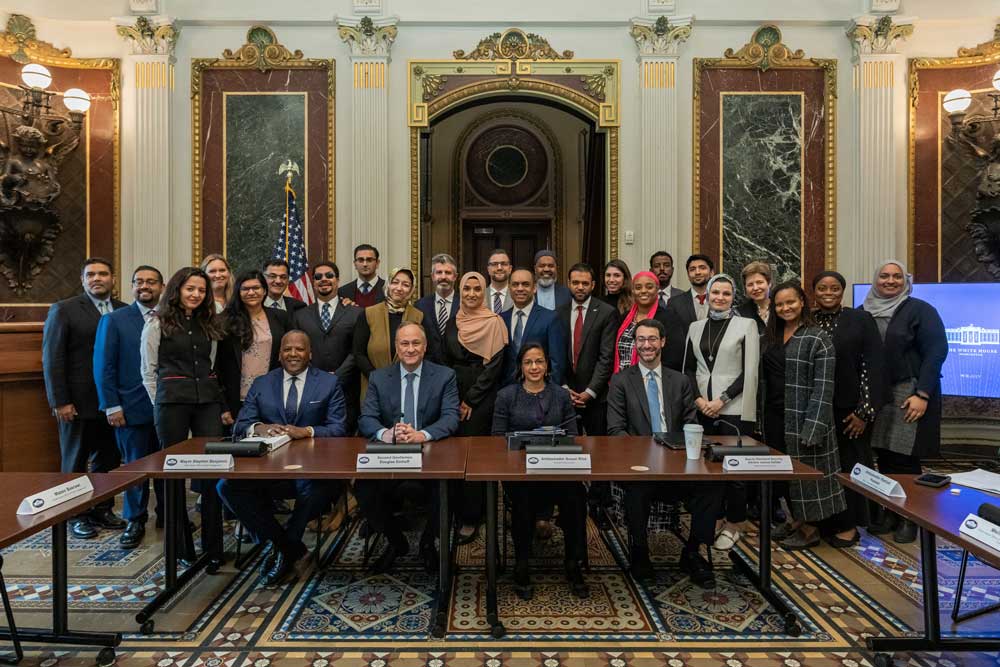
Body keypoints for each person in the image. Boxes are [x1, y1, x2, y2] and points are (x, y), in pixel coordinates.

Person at [218, 331, 347, 586]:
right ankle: (290, 548)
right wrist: (259, 427)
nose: (293, 354)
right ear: (279, 355)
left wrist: (307, 431)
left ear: (310, 355)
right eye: (287, 349)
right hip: (268, 470)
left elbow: (339, 428)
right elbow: (241, 424)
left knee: (310, 491)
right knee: (226, 486)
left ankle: (283, 550)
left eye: (299, 349)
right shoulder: (262, 383)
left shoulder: (328, 384)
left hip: (313, 469)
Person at [607, 318, 722, 587]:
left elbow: (691, 425)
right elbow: (615, 431)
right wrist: (645, 457)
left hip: (678, 465)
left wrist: (678, 455)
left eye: (652, 339)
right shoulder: (621, 381)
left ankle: (693, 552)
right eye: (641, 340)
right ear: (635, 345)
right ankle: (640, 552)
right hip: (640, 468)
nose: (647, 345)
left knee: (712, 487)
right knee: (637, 491)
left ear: (663, 342)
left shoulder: (680, 381)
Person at [141, 267, 232, 561]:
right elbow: (148, 370)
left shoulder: (210, 323)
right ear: (177, 289)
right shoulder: (157, 322)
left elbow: (212, 362)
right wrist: (160, 400)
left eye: (201, 290)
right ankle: (180, 546)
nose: (196, 294)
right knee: (173, 473)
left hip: (207, 400)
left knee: (213, 470)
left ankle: (213, 547)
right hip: (170, 402)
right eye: (190, 288)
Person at [355, 323, 461, 573]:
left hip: (429, 455)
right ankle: (396, 542)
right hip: (391, 456)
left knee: (451, 486)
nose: (410, 349)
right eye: (405, 343)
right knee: (363, 488)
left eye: (416, 343)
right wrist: (386, 433)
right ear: (396, 348)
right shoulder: (379, 377)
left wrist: (421, 435)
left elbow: (450, 418)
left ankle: (427, 543)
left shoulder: (445, 376)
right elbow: (366, 418)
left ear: (425, 347)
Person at [492, 343, 589, 599]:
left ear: (547, 366)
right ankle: (521, 566)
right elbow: (497, 438)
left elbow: (572, 435)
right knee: (523, 501)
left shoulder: (560, 395)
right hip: (520, 473)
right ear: (520, 367)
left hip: (558, 470)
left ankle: (572, 565)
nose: (534, 367)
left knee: (577, 498)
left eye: (539, 362)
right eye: (528, 362)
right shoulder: (506, 396)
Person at [862, 260, 948, 544]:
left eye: (896, 276)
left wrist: (922, 394)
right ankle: (889, 511)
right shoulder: (864, 311)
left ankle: (909, 517)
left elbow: (936, 352)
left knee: (904, 457)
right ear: (875, 280)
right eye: (884, 276)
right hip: (876, 392)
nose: (890, 281)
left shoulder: (920, 310)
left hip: (908, 392)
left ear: (905, 281)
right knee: (883, 455)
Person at [43, 257, 127, 539]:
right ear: (82, 280)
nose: (97, 278)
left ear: (113, 279)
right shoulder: (64, 310)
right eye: (91, 274)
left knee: (108, 459)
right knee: (75, 461)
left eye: (103, 274)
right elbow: (52, 358)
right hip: (76, 402)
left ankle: (103, 508)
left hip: (113, 402)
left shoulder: (124, 310)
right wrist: (60, 401)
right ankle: (76, 515)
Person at [761, 281, 846, 549]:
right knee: (785, 475)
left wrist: (814, 425)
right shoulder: (772, 335)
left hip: (804, 417)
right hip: (775, 416)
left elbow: (824, 388)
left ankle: (811, 529)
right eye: (779, 304)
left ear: (802, 302)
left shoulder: (817, 337)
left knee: (807, 477)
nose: (785, 308)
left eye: (791, 302)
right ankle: (796, 518)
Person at [682, 274, 760, 550]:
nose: (720, 298)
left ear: (733, 297)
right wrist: (699, 399)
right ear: (708, 295)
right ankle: (712, 517)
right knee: (706, 467)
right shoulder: (695, 326)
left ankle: (734, 523)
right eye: (715, 292)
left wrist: (722, 400)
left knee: (734, 470)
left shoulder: (746, 325)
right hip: (703, 406)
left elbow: (750, 371)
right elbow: (689, 369)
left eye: (726, 294)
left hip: (734, 408)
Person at [813, 270, 886, 547]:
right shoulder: (810, 320)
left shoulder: (860, 319)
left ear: (842, 291)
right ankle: (825, 520)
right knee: (822, 468)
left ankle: (851, 524)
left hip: (850, 411)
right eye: (822, 288)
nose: (828, 293)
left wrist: (864, 412)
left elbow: (872, 365)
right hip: (819, 409)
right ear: (814, 292)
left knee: (851, 465)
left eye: (834, 288)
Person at [93, 265, 164, 548]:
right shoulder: (115, 320)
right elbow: (103, 367)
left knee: (167, 466)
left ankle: (166, 514)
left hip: (167, 409)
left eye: (151, 282)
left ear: (161, 286)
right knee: (136, 468)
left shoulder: (170, 318)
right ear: (132, 286)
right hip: (131, 410)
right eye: (139, 281)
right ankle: (135, 520)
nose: (144, 286)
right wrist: (111, 405)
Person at [442, 272, 508, 542]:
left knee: (475, 458)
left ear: (484, 293)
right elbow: (445, 360)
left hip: (480, 399)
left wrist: (470, 399)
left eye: (476, 289)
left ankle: (473, 516)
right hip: (451, 395)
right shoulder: (453, 321)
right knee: (453, 455)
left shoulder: (494, 322)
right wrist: (451, 398)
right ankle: (456, 511)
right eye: (466, 289)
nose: (471, 294)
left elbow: (493, 368)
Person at [293, 261, 362, 433]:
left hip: (346, 389)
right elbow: (296, 351)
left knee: (344, 442)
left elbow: (357, 350)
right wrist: (316, 376)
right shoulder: (300, 315)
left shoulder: (356, 313)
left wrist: (337, 375)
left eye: (329, 275)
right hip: (310, 387)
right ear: (313, 283)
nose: (324, 279)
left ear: (337, 280)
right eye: (318, 277)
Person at [215, 270, 290, 420]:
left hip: (273, 396)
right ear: (238, 292)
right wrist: (223, 406)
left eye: (256, 288)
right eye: (245, 289)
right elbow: (218, 367)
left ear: (264, 291)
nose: (251, 292)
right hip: (238, 398)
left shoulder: (280, 317)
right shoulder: (224, 321)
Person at [558, 262, 619, 436]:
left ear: (593, 285)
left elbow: (606, 357)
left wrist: (589, 392)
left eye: (585, 283)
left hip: (596, 397)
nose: (580, 287)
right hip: (565, 394)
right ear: (568, 283)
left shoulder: (606, 312)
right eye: (575, 282)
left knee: (599, 452)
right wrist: (563, 388)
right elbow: (556, 355)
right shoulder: (558, 312)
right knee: (566, 449)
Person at [354, 268, 435, 393]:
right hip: (374, 385)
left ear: (412, 289)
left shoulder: (419, 316)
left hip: (409, 385)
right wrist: (378, 379)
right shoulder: (368, 314)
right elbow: (359, 354)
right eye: (395, 282)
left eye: (406, 285)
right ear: (388, 284)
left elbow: (428, 353)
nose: (399, 288)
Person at [500, 268, 566, 385]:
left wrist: (547, 392)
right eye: (515, 284)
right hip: (507, 393)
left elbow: (557, 363)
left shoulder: (550, 318)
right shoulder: (501, 319)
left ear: (534, 288)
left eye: (525, 284)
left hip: (541, 392)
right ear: (509, 288)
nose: (520, 288)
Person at [612, 271, 683, 374]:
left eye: (649, 287)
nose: (643, 291)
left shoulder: (669, 318)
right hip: (621, 382)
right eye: (638, 287)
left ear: (657, 290)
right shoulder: (623, 318)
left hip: (653, 381)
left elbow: (675, 358)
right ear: (632, 290)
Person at [415, 253, 460, 355]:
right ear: (432, 276)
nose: (443, 277)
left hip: (458, 367)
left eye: (448, 273)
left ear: (455, 277)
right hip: (429, 366)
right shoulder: (420, 306)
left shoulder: (465, 304)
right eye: (439, 272)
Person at [667, 254, 716, 331]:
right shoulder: (675, 303)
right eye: (692, 269)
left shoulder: (721, 300)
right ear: (688, 274)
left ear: (712, 272)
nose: (697, 272)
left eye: (702, 268)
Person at [737, 260, 773, 333]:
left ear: (769, 283)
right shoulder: (739, 313)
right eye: (750, 284)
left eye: (759, 282)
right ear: (745, 288)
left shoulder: (781, 308)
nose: (755, 288)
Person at [486, 249, 514, 314]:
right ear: (488, 269)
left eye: (504, 264)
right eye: (494, 264)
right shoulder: (480, 296)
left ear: (510, 269)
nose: (499, 268)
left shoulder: (519, 295)